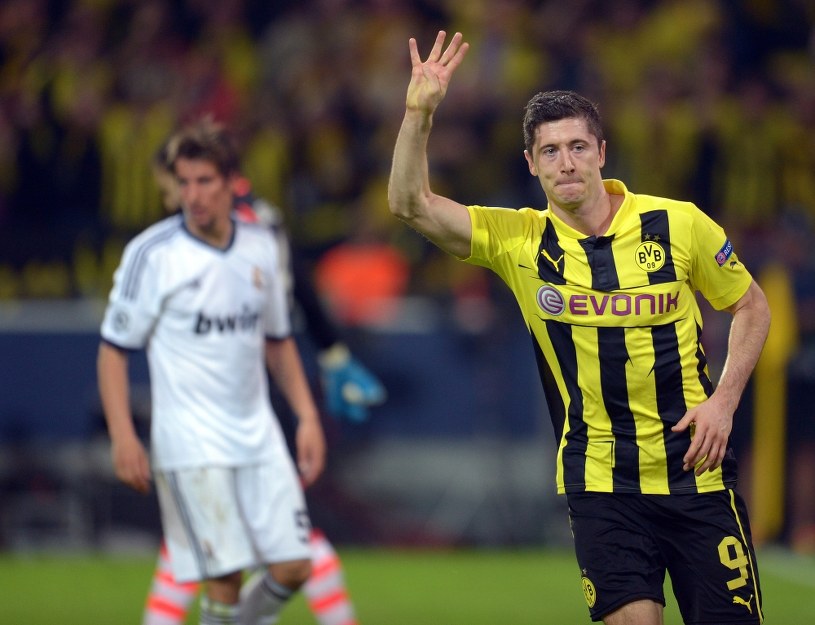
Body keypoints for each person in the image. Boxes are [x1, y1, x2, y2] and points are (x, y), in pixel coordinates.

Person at [387, 31, 771, 625]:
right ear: (531, 163)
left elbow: (752, 306)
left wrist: (723, 401)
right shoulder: (518, 239)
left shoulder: (679, 224)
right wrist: (419, 114)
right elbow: (410, 204)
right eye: (550, 151)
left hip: (695, 471)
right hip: (600, 482)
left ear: (601, 153)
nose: (565, 163)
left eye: (577, 147)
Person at [140, 140, 381, 625]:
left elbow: (288, 297)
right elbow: (299, 288)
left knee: (251, 542)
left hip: (240, 399)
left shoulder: (222, 232)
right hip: (246, 400)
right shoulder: (257, 222)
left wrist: (327, 360)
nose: (177, 194)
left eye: (183, 182)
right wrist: (332, 353)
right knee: (251, 542)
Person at [98, 119, 326, 625]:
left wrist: (307, 417)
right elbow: (113, 350)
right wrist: (123, 435)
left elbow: (278, 341)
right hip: (191, 443)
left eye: (204, 181)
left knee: (294, 568)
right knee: (225, 578)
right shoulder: (152, 255)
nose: (193, 195)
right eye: (184, 182)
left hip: (258, 436)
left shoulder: (260, 246)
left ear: (230, 184)